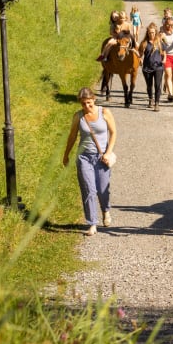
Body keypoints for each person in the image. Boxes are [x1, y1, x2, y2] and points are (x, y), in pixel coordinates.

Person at [62, 87, 117, 236]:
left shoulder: (104, 112)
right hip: (84, 157)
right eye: (83, 104)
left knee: (102, 189)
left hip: (102, 157)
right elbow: (72, 136)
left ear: (94, 99)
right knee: (88, 189)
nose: (86, 106)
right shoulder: (78, 116)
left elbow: (113, 133)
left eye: (89, 103)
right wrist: (66, 155)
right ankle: (92, 223)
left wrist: (108, 152)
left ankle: (105, 210)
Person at [138, 22, 165, 111]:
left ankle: (157, 103)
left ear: (155, 32)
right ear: (147, 33)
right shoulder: (144, 43)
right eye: (150, 33)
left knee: (157, 85)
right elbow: (140, 54)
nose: (151, 34)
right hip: (147, 67)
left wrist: (164, 59)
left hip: (158, 67)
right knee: (149, 85)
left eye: (153, 32)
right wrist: (140, 59)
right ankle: (150, 99)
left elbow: (164, 52)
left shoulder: (159, 42)